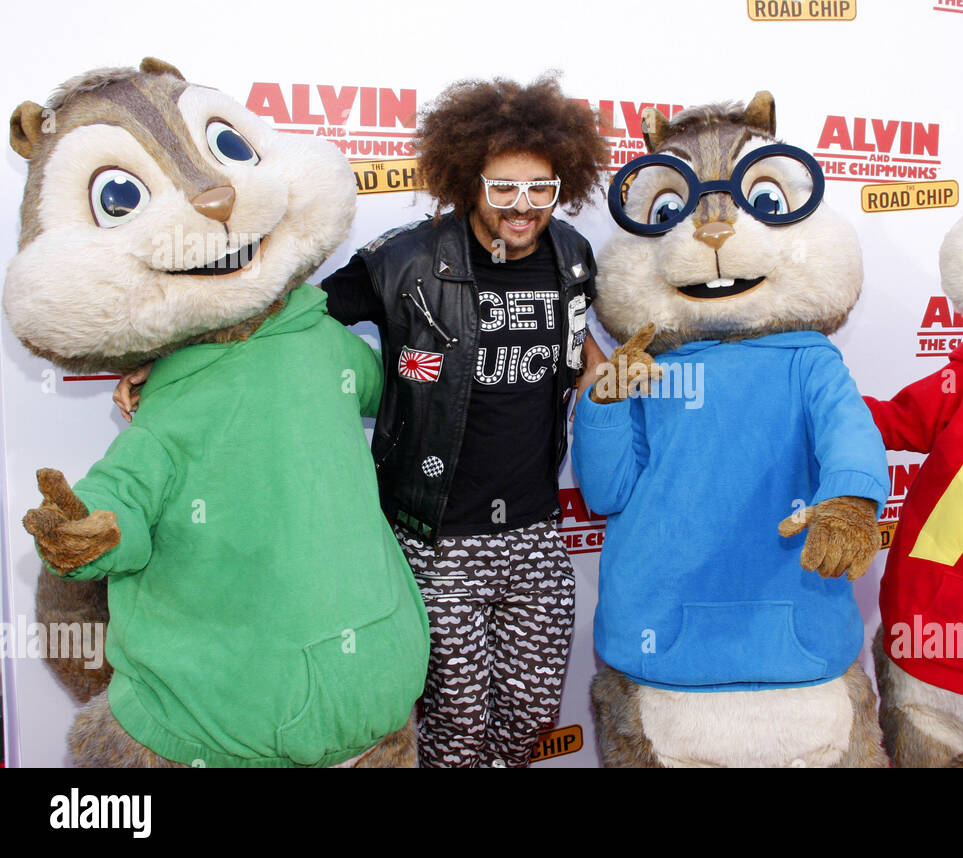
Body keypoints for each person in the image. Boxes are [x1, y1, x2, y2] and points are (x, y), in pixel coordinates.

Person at [116, 73, 609, 768]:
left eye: (541, 189)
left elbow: (574, 328)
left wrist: (596, 364)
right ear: (469, 181)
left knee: (527, 720)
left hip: (534, 531)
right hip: (440, 536)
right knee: (456, 729)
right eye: (503, 187)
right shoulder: (403, 260)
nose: (522, 206)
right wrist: (167, 353)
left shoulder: (570, 256)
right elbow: (283, 317)